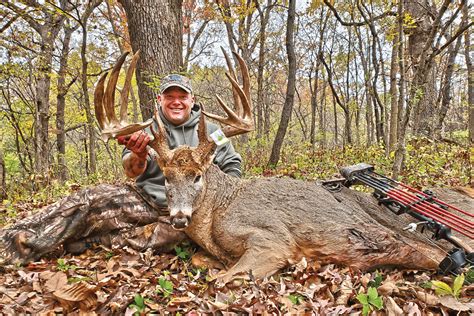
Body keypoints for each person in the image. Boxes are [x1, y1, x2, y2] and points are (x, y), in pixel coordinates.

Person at [0, 74, 242, 265]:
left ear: (192, 99)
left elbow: (233, 166)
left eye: (182, 96)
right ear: (160, 100)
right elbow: (131, 171)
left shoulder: (213, 133)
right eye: (170, 96)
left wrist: (221, 206)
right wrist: (139, 154)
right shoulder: (146, 130)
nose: (176, 101)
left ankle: (84, 243)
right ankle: (13, 244)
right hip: (146, 199)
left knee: (174, 238)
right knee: (88, 200)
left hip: (192, 211)